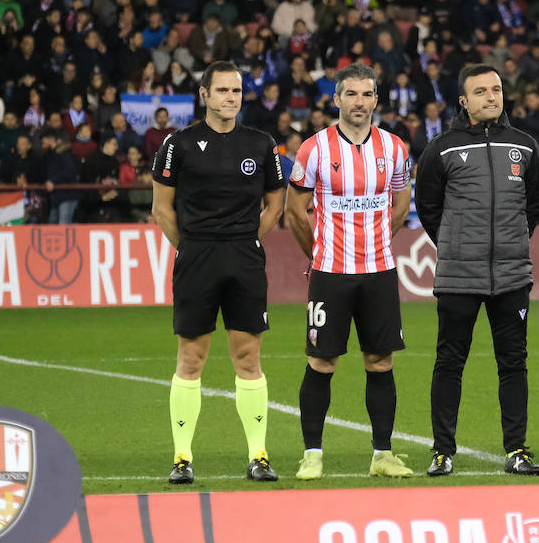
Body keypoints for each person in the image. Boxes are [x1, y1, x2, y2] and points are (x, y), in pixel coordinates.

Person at [151, 61, 286, 484]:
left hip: (245, 259)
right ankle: (182, 458)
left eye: (237, 90)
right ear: (204, 94)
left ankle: (259, 455)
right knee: (191, 358)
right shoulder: (179, 144)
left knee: (248, 357)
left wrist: (246, 239)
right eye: (223, 90)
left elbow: (275, 205)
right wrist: (191, 247)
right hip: (198, 259)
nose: (232, 97)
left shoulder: (261, 144)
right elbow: (161, 208)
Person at [414, 63, 539, 476]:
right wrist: (456, 244)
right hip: (459, 275)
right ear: (464, 101)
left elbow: (532, 204)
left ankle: (517, 450)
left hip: (511, 275)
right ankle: (442, 451)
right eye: (481, 91)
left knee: (514, 363)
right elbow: (428, 208)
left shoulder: (524, 146)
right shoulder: (442, 148)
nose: (491, 97)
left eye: (496, 89)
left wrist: (511, 242)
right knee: (449, 362)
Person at [284, 63, 414, 481]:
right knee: (322, 362)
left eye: (367, 94)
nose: (359, 102)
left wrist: (379, 240)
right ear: (337, 99)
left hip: (379, 272)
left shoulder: (394, 147)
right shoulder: (314, 149)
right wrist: (319, 252)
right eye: (351, 94)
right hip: (330, 273)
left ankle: (382, 454)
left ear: (377, 99)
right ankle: (312, 455)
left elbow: (400, 202)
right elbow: (294, 212)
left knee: (380, 361)